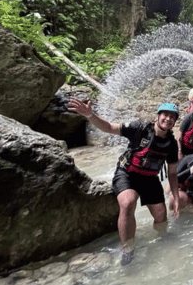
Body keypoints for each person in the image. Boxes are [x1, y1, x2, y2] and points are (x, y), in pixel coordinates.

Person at [68, 99, 180, 266]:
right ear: (158, 116)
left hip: (150, 178)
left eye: (172, 117)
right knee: (128, 203)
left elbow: (172, 173)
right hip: (128, 174)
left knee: (161, 216)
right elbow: (109, 128)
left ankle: (162, 240)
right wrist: (90, 115)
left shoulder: (171, 144)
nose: (168, 119)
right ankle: (128, 249)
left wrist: (176, 197)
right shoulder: (139, 128)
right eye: (165, 115)